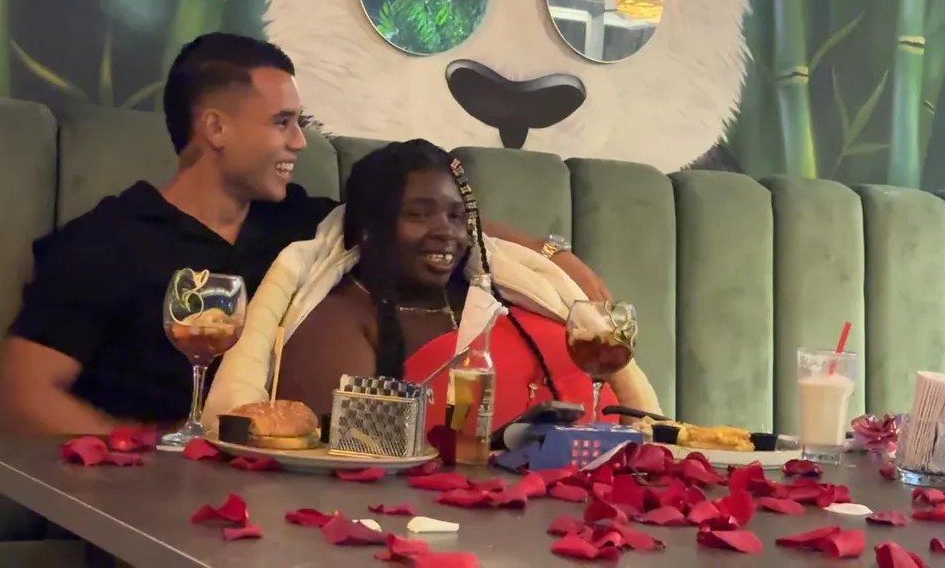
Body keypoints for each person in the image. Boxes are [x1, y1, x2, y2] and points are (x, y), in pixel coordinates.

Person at [0, 33, 613, 435]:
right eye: (283, 122)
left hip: (280, 485)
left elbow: (426, 225)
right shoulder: (104, 242)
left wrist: (554, 256)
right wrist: (149, 451)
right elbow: (26, 394)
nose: (299, 142)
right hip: (149, 499)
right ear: (215, 128)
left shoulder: (301, 225)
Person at [201, 139, 661, 433]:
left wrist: (552, 251)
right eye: (419, 215)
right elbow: (339, 460)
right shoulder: (340, 321)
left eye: (456, 217)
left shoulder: (504, 294)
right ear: (369, 230)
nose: (447, 232)